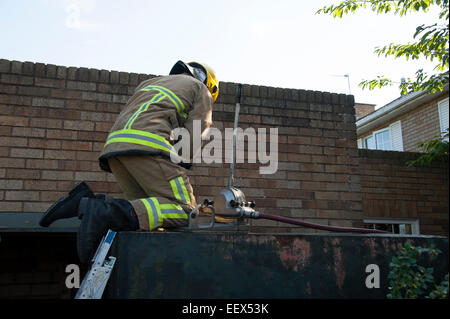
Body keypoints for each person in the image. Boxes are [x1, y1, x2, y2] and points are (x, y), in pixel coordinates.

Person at [39, 60, 219, 264]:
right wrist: (183, 159)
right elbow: (199, 125)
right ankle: (100, 211)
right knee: (187, 211)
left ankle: (85, 201)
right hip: (150, 147)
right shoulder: (200, 88)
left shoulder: (149, 84)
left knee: (143, 214)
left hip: (116, 149)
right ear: (208, 83)